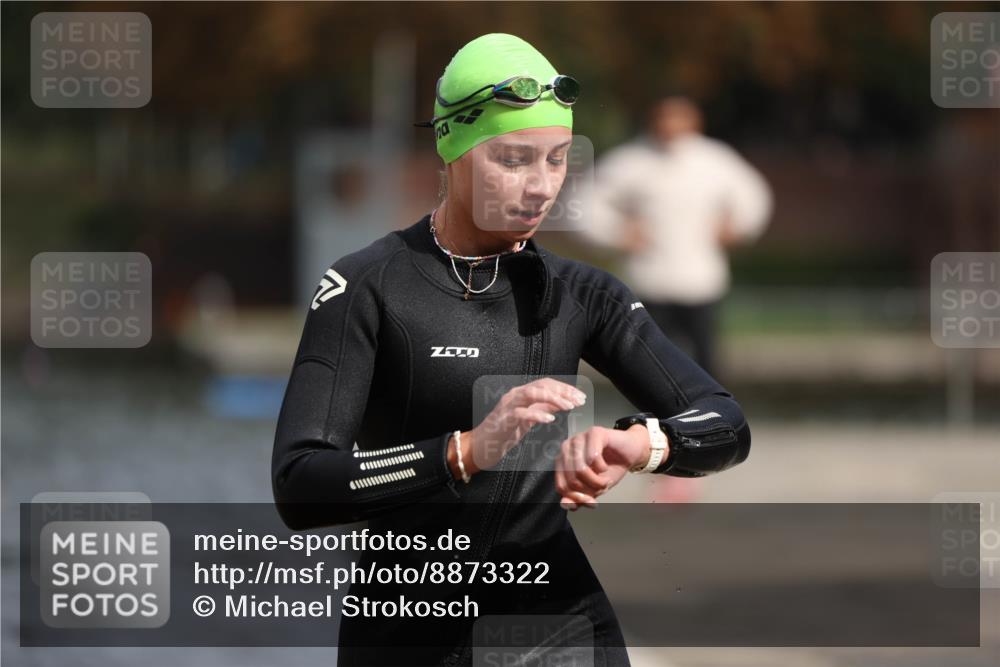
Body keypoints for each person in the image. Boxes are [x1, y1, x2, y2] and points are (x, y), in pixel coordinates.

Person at [272, 34, 751, 667]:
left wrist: (638, 445)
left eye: (556, 160)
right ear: (453, 148)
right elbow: (301, 484)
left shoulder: (583, 294)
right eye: (513, 159)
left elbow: (724, 424)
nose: (540, 186)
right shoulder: (366, 286)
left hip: (557, 630)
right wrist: (464, 452)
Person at [580, 95, 773, 380]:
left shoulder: (715, 160)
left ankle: (708, 417)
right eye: (665, 117)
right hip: (648, 279)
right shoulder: (629, 161)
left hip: (700, 280)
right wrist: (617, 233)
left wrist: (737, 227)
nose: (671, 125)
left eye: (679, 117)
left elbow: (754, 196)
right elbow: (585, 204)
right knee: (649, 360)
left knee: (705, 359)